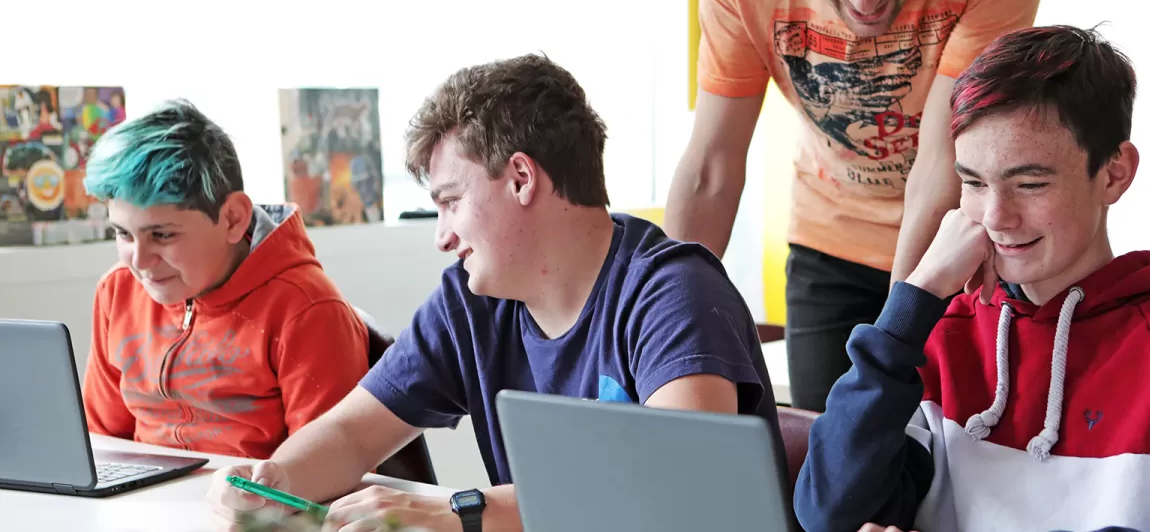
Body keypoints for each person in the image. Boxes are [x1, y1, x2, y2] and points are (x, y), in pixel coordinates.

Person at [207, 54, 782, 532]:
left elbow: (679, 492)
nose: (442, 236)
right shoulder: (471, 300)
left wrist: (462, 512)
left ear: (522, 178)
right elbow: (352, 433)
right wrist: (274, 482)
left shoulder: (673, 292)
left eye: (451, 201)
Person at [793, 26, 1150, 532]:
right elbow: (831, 513)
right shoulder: (940, 336)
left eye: (1028, 183)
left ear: (1114, 173)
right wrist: (914, 302)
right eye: (973, 184)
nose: (996, 216)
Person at [666, 0, 1048, 412]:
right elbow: (711, 166)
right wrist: (660, 324)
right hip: (828, 241)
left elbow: (939, 160)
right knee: (826, 454)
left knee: (958, 448)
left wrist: (897, 331)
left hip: (958, 241)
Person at [80, 99, 370, 460]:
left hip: (255, 510)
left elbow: (328, 467)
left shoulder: (306, 310)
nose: (139, 262)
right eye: (123, 234)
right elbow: (102, 440)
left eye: (163, 235)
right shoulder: (118, 290)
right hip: (142, 508)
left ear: (232, 219)